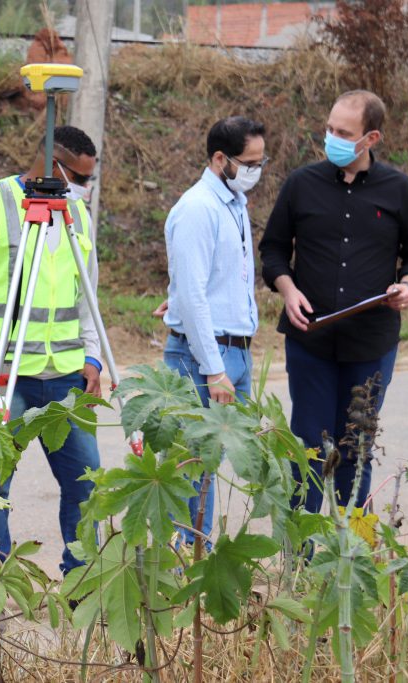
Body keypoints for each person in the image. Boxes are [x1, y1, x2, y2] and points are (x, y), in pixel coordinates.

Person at [0, 125, 103, 576]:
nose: (84, 188)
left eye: (89, 179)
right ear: (52, 165)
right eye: (78, 178)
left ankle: (81, 580)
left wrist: (92, 357)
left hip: (66, 376)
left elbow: (87, 294)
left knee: (87, 482)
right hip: (3, 375)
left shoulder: (77, 214)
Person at [259, 90, 408, 513]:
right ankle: (301, 546)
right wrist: (288, 290)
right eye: (329, 129)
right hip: (310, 339)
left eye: (343, 133)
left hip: (371, 344)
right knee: (309, 447)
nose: (331, 139)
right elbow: (273, 250)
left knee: (356, 448)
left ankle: (351, 543)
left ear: (371, 138)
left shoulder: (400, 190)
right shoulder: (301, 184)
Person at [162, 116, 266, 546]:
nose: (255, 171)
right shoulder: (197, 209)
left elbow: (211, 281)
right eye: (249, 163)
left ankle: (196, 555)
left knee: (212, 464)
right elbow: (193, 295)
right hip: (205, 358)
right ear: (220, 159)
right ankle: (184, 560)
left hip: (235, 351)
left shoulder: (234, 203)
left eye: (260, 162)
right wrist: (213, 367)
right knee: (190, 467)